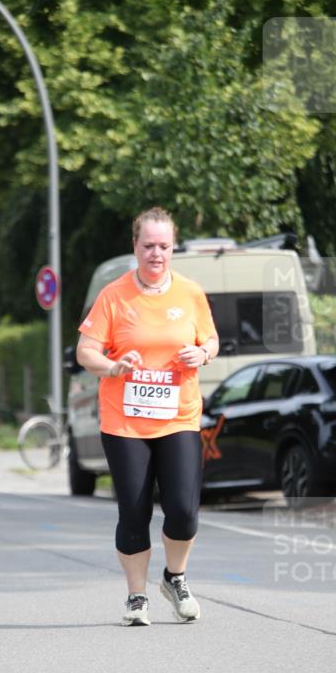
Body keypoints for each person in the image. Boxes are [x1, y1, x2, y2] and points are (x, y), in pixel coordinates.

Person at [76, 207, 219, 626]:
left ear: (173, 248)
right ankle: (136, 596)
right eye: (148, 245)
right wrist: (113, 366)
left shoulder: (190, 292)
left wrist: (204, 353)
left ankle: (174, 577)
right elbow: (86, 351)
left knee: (183, 509)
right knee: (134, 511)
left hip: (178, 416)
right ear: (135, 246)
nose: (156, 254)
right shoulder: (114, 295)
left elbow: (210, 338)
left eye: (164, 246)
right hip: (125, 421)